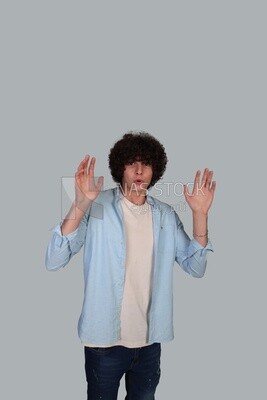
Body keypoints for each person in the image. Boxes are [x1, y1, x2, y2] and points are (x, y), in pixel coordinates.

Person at [45, 131, 216, 400]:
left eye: (146, 163)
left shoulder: (166, 215)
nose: (139, 170)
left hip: (149, 343)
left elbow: (196, 268)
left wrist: (200, 216)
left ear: (155, 169)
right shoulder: (96, 206)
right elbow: (54, 260)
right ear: (119, 167)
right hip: (104, 343)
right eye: (131, 162)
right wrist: (79, 206)